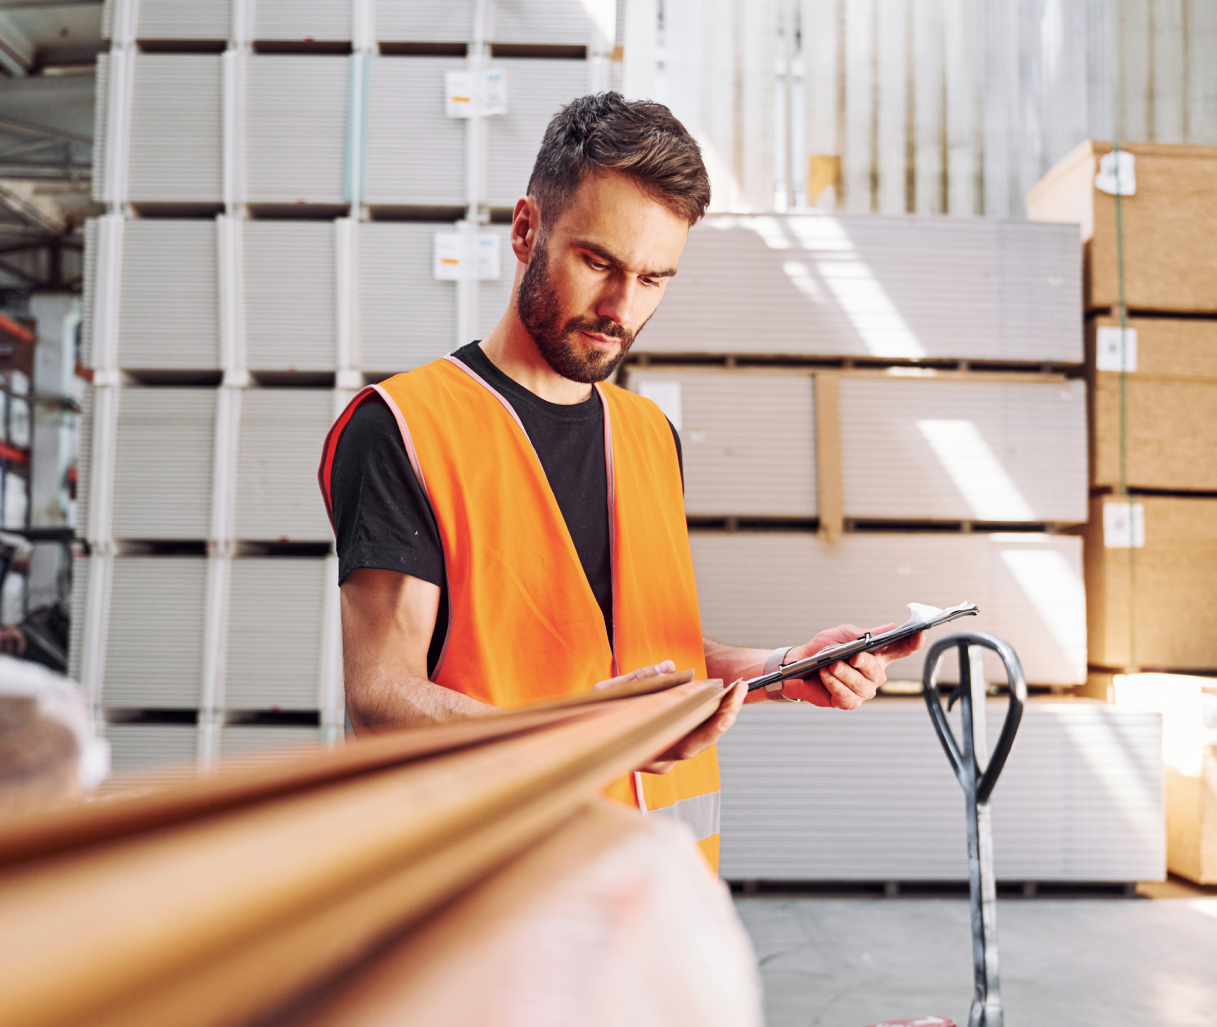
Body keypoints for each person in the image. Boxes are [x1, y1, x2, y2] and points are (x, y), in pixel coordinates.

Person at [319, 93, 923, 872]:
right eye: (598, 263)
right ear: (527, 229)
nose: (621, 308)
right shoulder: (403, 426)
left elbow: (641, 653)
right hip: (491, 897)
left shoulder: (647, 437)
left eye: (653, 278)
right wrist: (580, 735)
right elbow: (380, 696)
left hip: (652, 901)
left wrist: (780, 669)